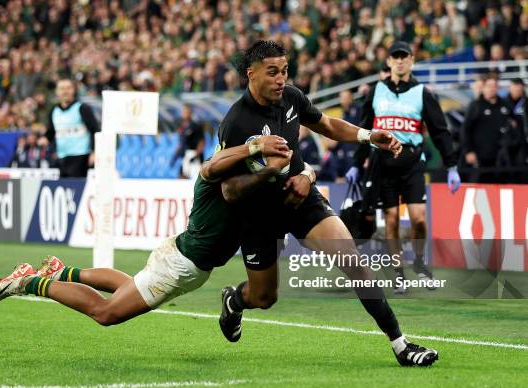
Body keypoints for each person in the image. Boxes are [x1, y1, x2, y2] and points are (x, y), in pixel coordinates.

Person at [216, 40, 438, 367]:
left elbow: (328, 125)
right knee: (264, 297)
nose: (281, 79)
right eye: (273, 72)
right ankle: (235, 300)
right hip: (258, 214)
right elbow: (230, 191)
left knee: (353, 261)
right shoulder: (235, 123)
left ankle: (401, 345)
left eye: (285, 71)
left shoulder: (291, 97)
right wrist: (268, 175)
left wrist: (367, 135)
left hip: (301, 198)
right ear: (251, 74)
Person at [0, 135, 291, 327]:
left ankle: (61, 271)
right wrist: (258, 150)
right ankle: (26, 282)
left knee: (129, 287)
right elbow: (215, 168)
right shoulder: (217, 174)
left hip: (186, 262)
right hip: (179, 266)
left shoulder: (244, 182)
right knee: (106, 314)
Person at [345, 41, 460, 294]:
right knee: (392, 220)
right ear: (388, 62)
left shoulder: (422, 93)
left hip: (412, 162)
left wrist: (451, 165)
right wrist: (356, 163)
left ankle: (419, 262)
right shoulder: (375, 91)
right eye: (395, 57)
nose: (399, 61)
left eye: (404, 57)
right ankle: (398, 273)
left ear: (411, 61)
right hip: (382, 164)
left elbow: (440, 131)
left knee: (419, 219)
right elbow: (364, 130)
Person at [463, 73, 516, 183]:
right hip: (481, 156)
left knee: (503, 185)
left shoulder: (504, 105)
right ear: (484, 88)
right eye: (489, 86)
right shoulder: (476, 105)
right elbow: (466, 130)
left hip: (502, 156)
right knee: (480, 185)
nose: (492, 89)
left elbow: (515, 122)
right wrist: (469, 151)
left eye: (495, 86)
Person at [45, 79, 99, 177]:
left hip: (81, 157)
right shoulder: (54, 111)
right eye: (62, 88)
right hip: (62, 157)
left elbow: (95, 130)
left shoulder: (82, 108)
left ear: (74, 90)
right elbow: (51, 133)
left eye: (68, 88)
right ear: (57, 92)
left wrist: (95, 152)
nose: (65, 91)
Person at [171, 104, 206, 179]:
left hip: (194, 154)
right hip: (186, 154)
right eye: (183, 112)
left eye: (186, 112)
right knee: (182, 176)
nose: (184, 114)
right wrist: (175, 157)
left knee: (196, 178)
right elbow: (181, 143)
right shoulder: (182, 126)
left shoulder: (196, 126)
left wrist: (196, 154)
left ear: (190, 113)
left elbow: (202, 141)